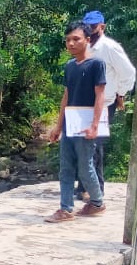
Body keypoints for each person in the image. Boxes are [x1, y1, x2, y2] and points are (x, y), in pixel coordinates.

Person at [46, 23, 108, 223]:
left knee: (85, 167)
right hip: (69, 124)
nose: (71, 43)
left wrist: (95, 126)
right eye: (67, 40)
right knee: (65, 167)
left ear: (88, 40)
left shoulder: (96, 65)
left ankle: (97, 202)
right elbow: (66, 96)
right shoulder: (69, 66)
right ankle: (66, 209)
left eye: (76, 39)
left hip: (86, 124)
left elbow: (100, 96)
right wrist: (58, 126)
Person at [80, 10, 136, 195]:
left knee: (94, 145)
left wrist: (121, 93)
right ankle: (84, 187)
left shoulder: (110, 48)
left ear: (102, 27)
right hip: (84, 104)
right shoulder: (84, 46)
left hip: (105, 103)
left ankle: (97, 190)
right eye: (87, 26)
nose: (90, 30)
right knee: (82, 143)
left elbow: (129, 73)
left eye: (93, 27)